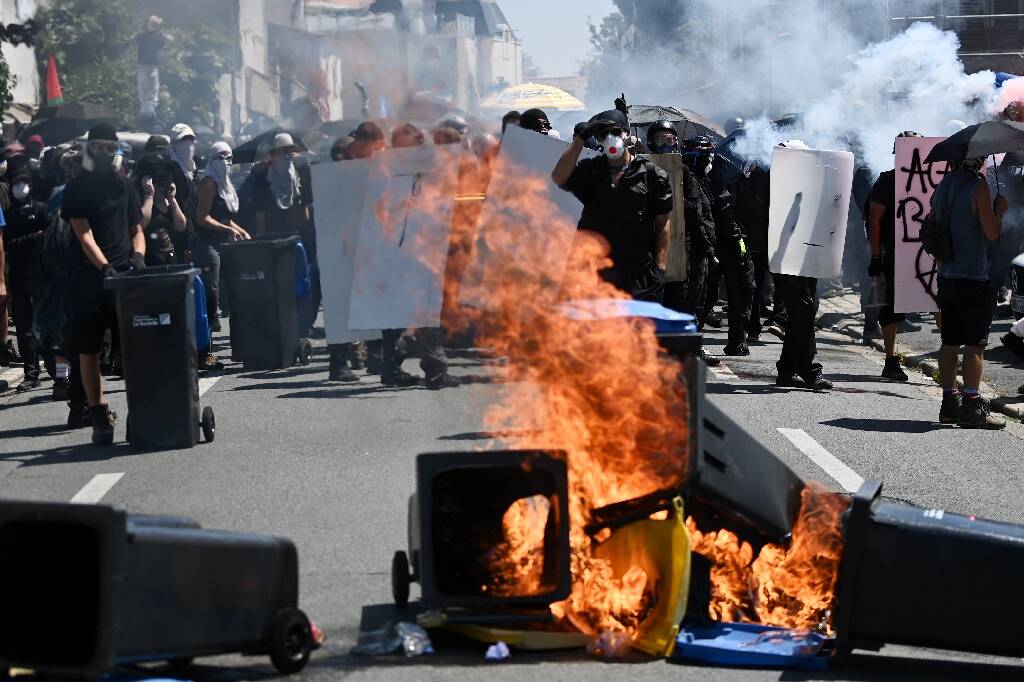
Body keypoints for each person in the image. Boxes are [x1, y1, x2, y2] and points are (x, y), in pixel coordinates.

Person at [62, 124, 145, 445]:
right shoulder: (77, 188)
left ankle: (142, 409)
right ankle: (98, 413)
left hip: (125, 277)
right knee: (89, 349)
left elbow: (137, 228)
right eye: (98, 147)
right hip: (89, 279)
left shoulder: (125, 186)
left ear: (116, 151)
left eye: (110, 148)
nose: (104, 153)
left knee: (135, 347)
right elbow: (84, 234)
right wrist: (105, 266)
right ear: (89, 149)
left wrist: (137, 257)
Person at [552, 109, 672, 302]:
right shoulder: (591, 170)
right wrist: (582, 138)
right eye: (603, 134)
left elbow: (663, 224)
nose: (610, 138)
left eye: (615, 132)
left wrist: (659, 269)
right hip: (596, 275)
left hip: (639, 278)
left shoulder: (652, 175)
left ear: (627, 135)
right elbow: (559, 176)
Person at [931, 157, 1007, 429]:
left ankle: (948, 404)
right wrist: (999, 211)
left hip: (946, 275)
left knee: (949, 342)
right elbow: (992, 232)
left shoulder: (942, 186)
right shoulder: (978, 187)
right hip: (972, 277)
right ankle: (972, 407)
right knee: (975, 344)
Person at [866, 133, 922, 383]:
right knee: (890, 306)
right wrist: (876, 256)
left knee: (937, 301)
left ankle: (949, 356)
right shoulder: (887, 181)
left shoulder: (928, 182)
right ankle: (890, 360)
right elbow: (875, 221)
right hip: (895, 254)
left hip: (927, 253)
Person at [693, 136, 755, 356]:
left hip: (726, 240)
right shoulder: (721, 172)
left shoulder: (735, 173)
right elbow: (724, 206)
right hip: (722, 242)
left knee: (740, 289)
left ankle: (737, 339)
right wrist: (737, 236)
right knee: (709, 293)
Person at [2, 162, 49, 391]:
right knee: (23, 326)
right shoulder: (10, 215)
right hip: (19, 277)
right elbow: (9, 243)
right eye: (16, 183)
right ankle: (31, 373)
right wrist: (33, 237)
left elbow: (49, 237)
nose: (20, 187)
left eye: (23, 182)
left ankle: (58, 372)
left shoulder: (41, 209)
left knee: (48, 323)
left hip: (42, 275)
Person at [195, 141, 249, 335]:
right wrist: (228, 230)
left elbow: (225, 218)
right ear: (212, 159)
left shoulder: (225, 184)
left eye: (228, 158)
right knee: (213, 288)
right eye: (220, 157)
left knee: (230, 286)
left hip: (224, 243)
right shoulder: (209, 182)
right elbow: (202, 218)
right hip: (208, 242)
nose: (225, 161)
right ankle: (206, 337)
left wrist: (241, 231)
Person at [137, 16, 166, 125]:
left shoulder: (142, 36)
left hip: (142, 66)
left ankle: (145, 115)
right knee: (150, 91)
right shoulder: (158, 38)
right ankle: (148, 116)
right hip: (150, 66)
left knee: (143, 91)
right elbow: (167, 40)